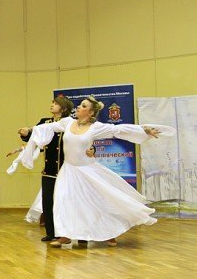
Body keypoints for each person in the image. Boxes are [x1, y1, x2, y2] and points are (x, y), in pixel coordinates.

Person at [10, 96, 175, 248]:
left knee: (97, 201)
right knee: (63, 200)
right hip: (68, 170)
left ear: (90, 113)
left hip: (87, 170)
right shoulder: (67, 123)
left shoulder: (96, 128)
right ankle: (65, 235)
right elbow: (48, 127)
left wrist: (144, 130)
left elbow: (118, 130)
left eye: (83, 106)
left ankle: (109, 231)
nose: (78, 107)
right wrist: (29, 130)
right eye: (80, 105)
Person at [16, 96, 74, 242]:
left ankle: (63, 233)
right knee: (47, 201)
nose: (52, 105)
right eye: (52, 102)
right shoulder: (45, 122)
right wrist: (26, 134)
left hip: (66, 169)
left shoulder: (71, 124)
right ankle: (51, 232)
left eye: (56, 103)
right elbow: (34, 135)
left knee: (63, 202)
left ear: (64, 108)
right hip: (49, 169)